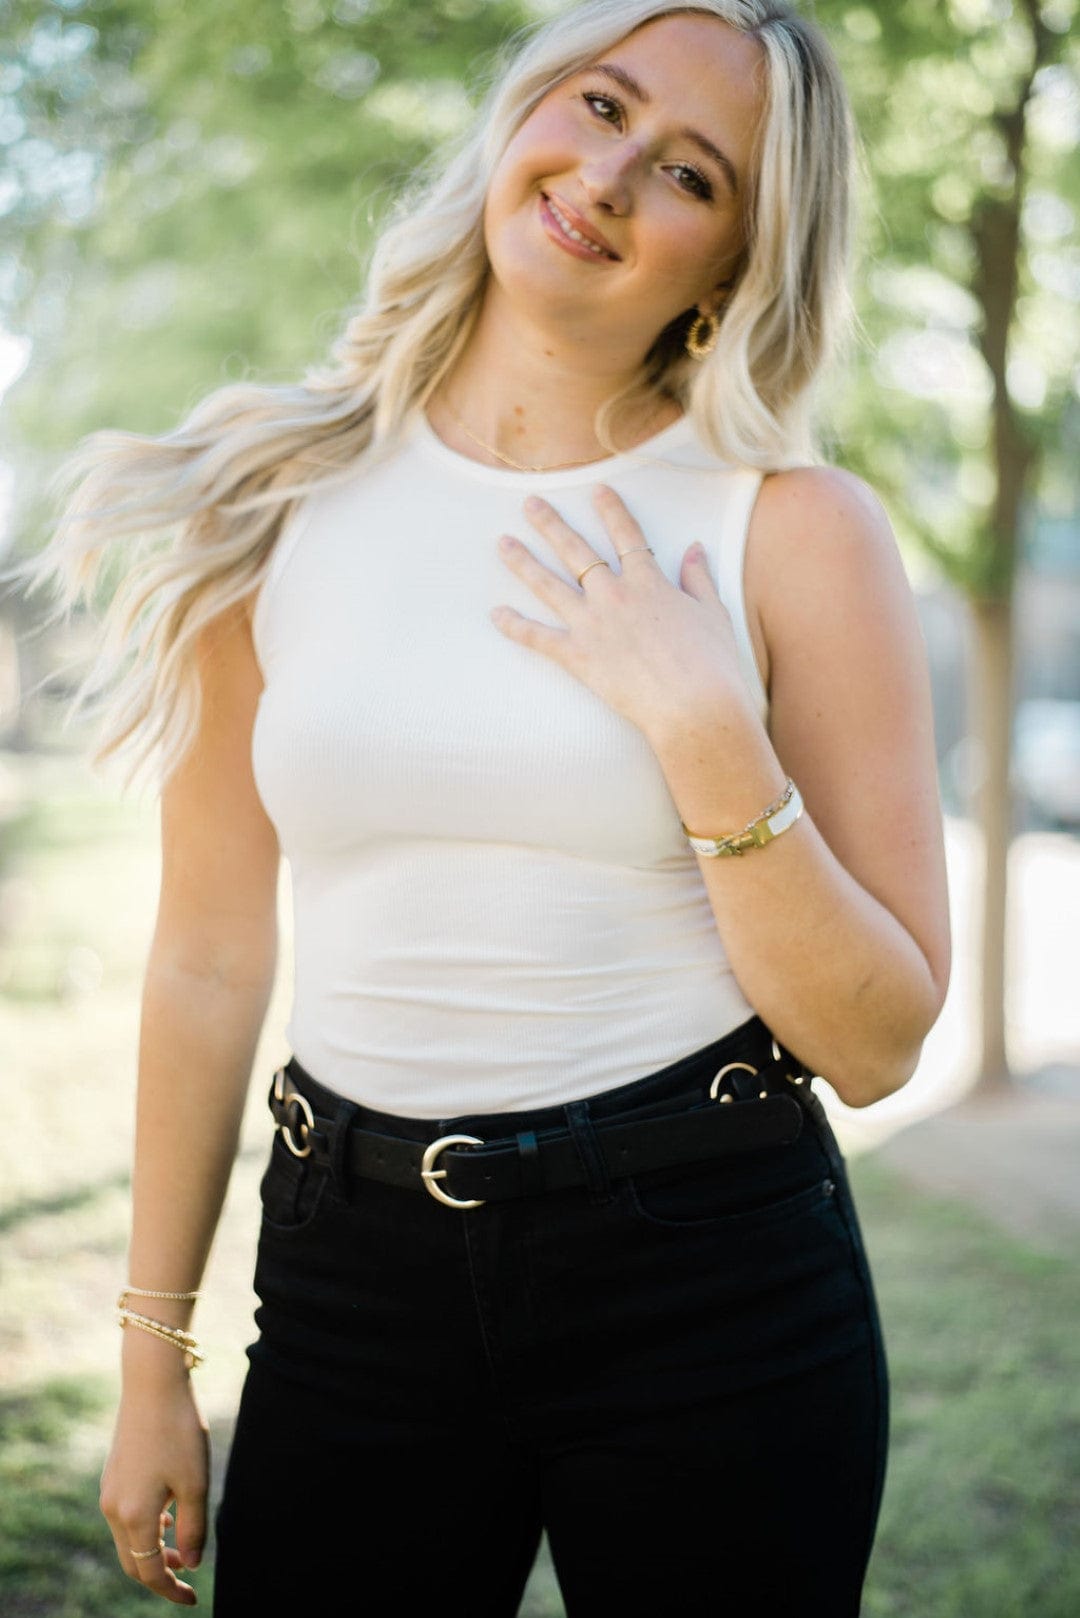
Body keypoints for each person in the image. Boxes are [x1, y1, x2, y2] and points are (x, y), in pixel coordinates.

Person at [27, 0, 951, 1612]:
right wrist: (154, 1355)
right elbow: (206, 960)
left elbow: (877, 1042)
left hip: (709, 1274)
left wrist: (702, 724)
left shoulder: (792, 532)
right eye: (599, 105)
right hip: (348, 1274)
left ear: (733, 263)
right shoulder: (273, 500)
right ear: (527, 105)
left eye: (689, 174)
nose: (605, 178)